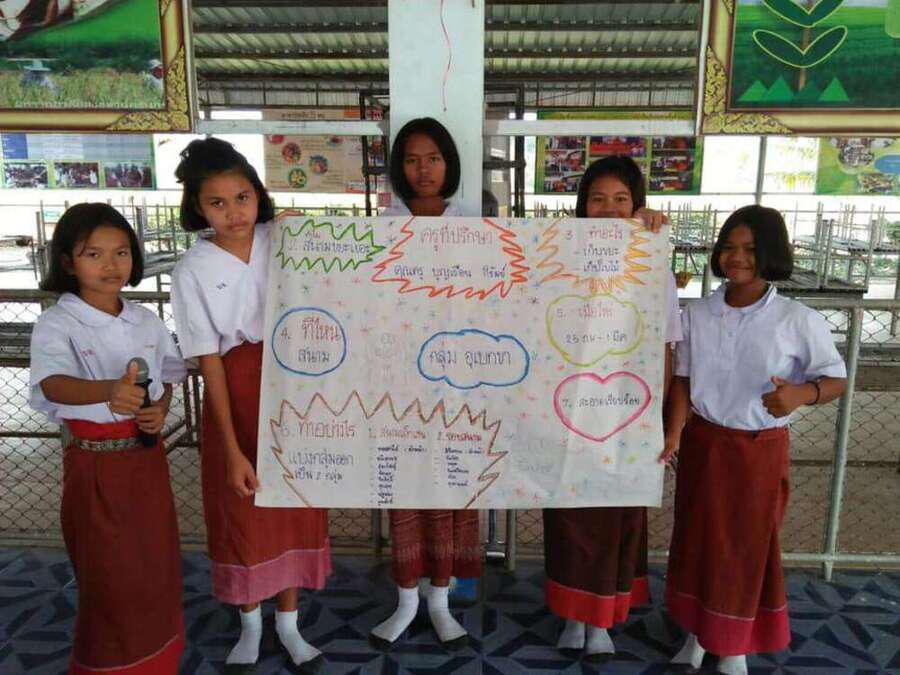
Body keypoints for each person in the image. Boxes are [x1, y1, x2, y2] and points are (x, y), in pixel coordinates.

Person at [661, 205, 847, 675]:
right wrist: (675, 433)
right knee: (696, 540)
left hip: (759, 449)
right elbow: (683, 380)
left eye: (750, 248)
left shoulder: (797, 319)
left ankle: (733, 644)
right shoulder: (697, 314)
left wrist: (802, 394)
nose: (737, 257)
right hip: (704, 444)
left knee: (744, 548)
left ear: (772, 253)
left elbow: (836, 379)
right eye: (729, 247)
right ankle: (696, 634)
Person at [170, 137, 330, 672]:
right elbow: (209, 361)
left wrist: (305, 231)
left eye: (242, 197)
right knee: (241, 508)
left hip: (294, 379)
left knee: (292, 505)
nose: (233, 212)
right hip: (233, 391)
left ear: (258, 195)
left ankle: (289, 624)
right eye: (217, 202)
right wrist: (231, 445)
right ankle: (250, 625)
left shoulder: (280, 238)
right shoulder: (191, 270)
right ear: (198, 207)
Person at [29, 203, 186, 674]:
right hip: (94, 466)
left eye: (121, 252)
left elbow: (167, 376)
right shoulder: (58, 323)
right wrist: (107, 392)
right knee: (109, 579)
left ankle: (160, 661)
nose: (111, 264)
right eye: (93, 254)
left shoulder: (146, 320)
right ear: (67, 261)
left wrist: (160, 408)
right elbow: (52, 384)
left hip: (147, 465)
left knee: (155, 566)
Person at [541, 156, 676, 662]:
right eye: (598, 199)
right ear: (582, 207)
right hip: (567, 408)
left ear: (637, 205)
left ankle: (600, 620)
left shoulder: (652, 262)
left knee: (616, 511)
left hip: (626, 410)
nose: (609, 209)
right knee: (569, 511)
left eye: (622, 199)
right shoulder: (557, 256)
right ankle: (571, 615)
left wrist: (657, 413)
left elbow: (665, 342)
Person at [371, 117, 480, 649]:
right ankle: (406, 599)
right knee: (406, 492)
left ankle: (441, 600)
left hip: (460, 387)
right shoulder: (382, 230)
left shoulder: (475, 229)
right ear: (399, 168)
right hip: (399, 388)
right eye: (412, 160)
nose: (423, 170)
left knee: (453, 490)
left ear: (449, 164)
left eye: (433, 158)